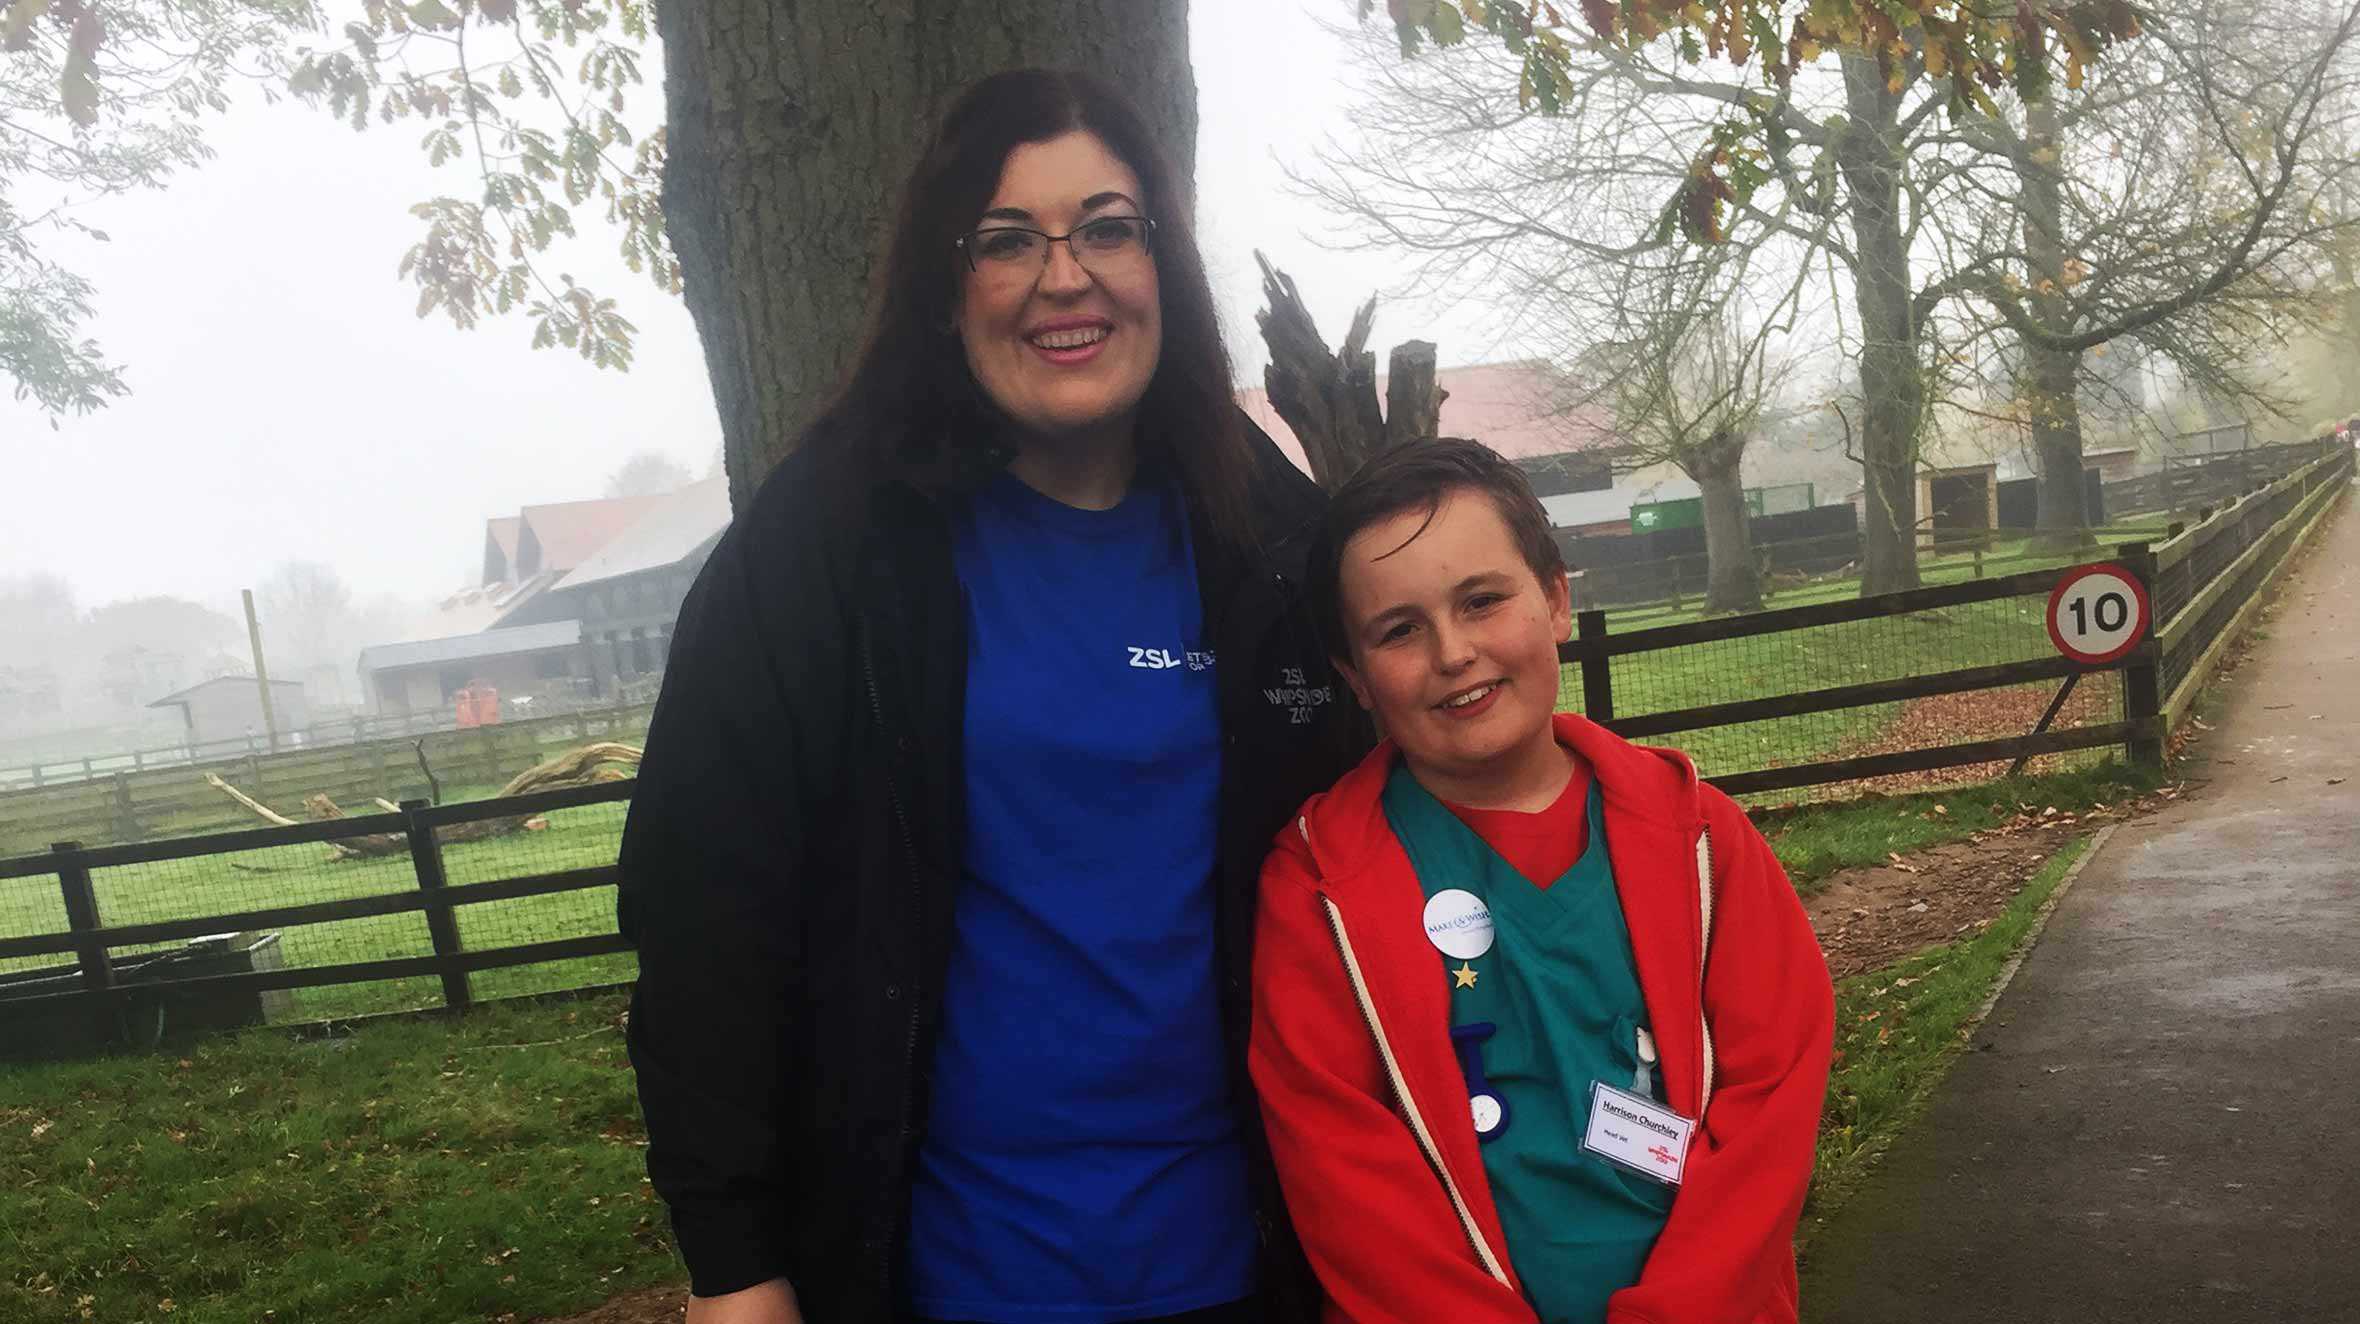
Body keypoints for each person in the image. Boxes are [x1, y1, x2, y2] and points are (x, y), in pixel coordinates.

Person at [616, 69, 1361, 1324]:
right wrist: (734, 1264)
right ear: (941, 285)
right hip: (944, 1276)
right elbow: (704, 912)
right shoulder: (826, 551)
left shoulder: (1272, 546)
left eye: (1106, 228)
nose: (1062, 277)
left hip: (1266, 1265)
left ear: (1163, 264)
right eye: (1006, 239)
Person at [1249, 440, 1833, 1324]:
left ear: (1556, 599)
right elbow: (1346, 1180)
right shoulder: (1318, 891)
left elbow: (1769, 1112)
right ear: (1353, 678)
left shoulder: (1703, 842)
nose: (1454, 653)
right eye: (1399, 630)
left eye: (1482, 601)